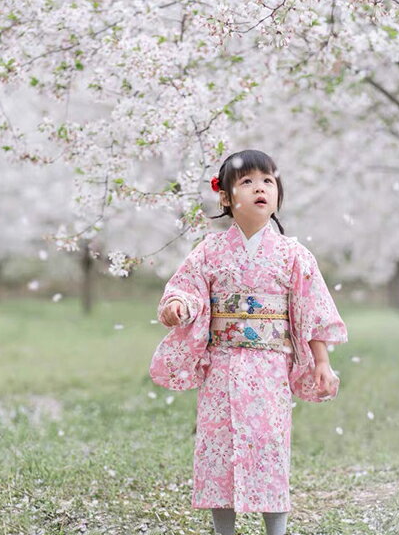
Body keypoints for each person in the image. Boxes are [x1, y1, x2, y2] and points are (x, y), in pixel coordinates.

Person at [149, 150, 348, 535]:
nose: (260, 188)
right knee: (219, 449)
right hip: (222, 368)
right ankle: (224, 529)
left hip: (270, 369)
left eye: (267, 182)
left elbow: (313, 311)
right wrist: (178, 305)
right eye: (247, 182)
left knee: (269, 448)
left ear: (277, 194)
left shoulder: (293, 255)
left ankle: (276, 529)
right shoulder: (209, 251)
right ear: (225, 198)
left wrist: (321, 362)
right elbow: (188, 288)